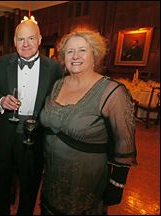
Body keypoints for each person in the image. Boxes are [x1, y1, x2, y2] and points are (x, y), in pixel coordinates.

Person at [39, 29, 137, 214]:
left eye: (82, 50)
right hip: (52, 177)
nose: (75, 56)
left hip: (86, 183)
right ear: (63, 57)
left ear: (95, 55)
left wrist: (117, 183)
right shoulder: (59, 84)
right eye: (70, 51)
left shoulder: (112, 92)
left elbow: (124, 141)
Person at [0, 19, 64, 215]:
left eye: (31, 38)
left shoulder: (55, 68)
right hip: (4, 134)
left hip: (36, 135)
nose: (26, 44)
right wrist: (0, 100)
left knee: (30, 187)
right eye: (21, 39)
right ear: (14, 41)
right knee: (2, 186)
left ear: (39, 39)